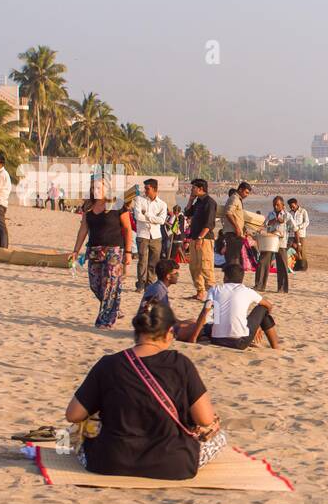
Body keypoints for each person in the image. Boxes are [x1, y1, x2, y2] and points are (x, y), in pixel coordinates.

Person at [65, 299, 223, 480]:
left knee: (73, 432)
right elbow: (205, 419)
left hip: (110, 460)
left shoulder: (108, 364)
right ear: (168, 333)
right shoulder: (181, 364)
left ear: (137, 332)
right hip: (173, 463)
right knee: (220, 436)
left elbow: (73, 415)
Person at [71, 179, 134, 329]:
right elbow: (83, 229)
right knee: (95, 284)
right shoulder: (88, 206)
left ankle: (105, 320)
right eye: (94, 187)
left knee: (110, 285)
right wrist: (75, 250)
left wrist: (129, 252)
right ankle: (114, 308)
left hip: (114, 250)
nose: (96, 190)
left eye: (100, 187)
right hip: (94, 250)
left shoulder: (117, 204)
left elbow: (127, 229)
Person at [202, 263, 280, 348]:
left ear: (226, 277)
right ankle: (276, 346)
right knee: (263, 308)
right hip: (239, 343)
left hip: (215, 339)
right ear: (241, 279)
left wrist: (193, 337)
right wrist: (258, 324)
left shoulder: (215, 289)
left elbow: (205, 312)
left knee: (215, 314)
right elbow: (269, 306)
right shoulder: (247, 291)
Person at [131, 178, 168, 290]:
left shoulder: (162, 204)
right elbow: (138, 216)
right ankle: (141, 282)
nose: (145, 191)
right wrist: (153, 218)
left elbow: (162, 220)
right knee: (142, 260)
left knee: (154, 261)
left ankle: (150, 282)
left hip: (156, 236)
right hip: (142, 234)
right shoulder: (139, 199)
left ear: (154, 189)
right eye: (145, 188)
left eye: (147, 188)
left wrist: (147, 215)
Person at [184, 179, 218, 301]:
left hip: (204, 239)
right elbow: (187, 213)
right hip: (194, 238)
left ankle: (213, 295)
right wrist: (190, 200)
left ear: (200, 188)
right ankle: (200, 292)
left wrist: (200, 237)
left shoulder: (210, 202)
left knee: (206, 266)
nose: (191, 190)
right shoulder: (198, 202)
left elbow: (209, 224)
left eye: (193, 188)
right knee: (194, 266)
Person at [257, 196, 290, 293]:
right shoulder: (270, 214)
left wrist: (294, 241)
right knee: (263, 262)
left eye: (278, 205)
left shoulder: (287, 215)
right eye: (274, 205)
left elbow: (294, 228)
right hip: (269, 241)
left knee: (282, 265)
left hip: (281, 242)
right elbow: (265, 224)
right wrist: (273, 221)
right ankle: (260, 285)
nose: (275, 207)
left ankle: (282, 288)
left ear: (283, 205)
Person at [219, 181, 251, 267]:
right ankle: (231, 275)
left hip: (236, 232)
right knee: (233, 256)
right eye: (246, 192)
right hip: (232, 232)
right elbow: (228, 213)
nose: (247, 195)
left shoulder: (238, 200)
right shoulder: (234, 199)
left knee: (235, 255)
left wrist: (243, 229)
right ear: (240, 189)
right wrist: (237, 227)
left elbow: (237, 216)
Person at [287, 198, 309, 263]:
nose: (292, 208)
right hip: (291, 235)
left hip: (301, 234)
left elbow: (307, 222)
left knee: (301, 251)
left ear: (296, 204)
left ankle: (303, 266)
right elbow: (288, 223)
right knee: (293, 251)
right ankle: (295, 266)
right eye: (290, 207)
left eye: (293, 206)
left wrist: (298, 227)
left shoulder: (303, 211)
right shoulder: (289, 213)